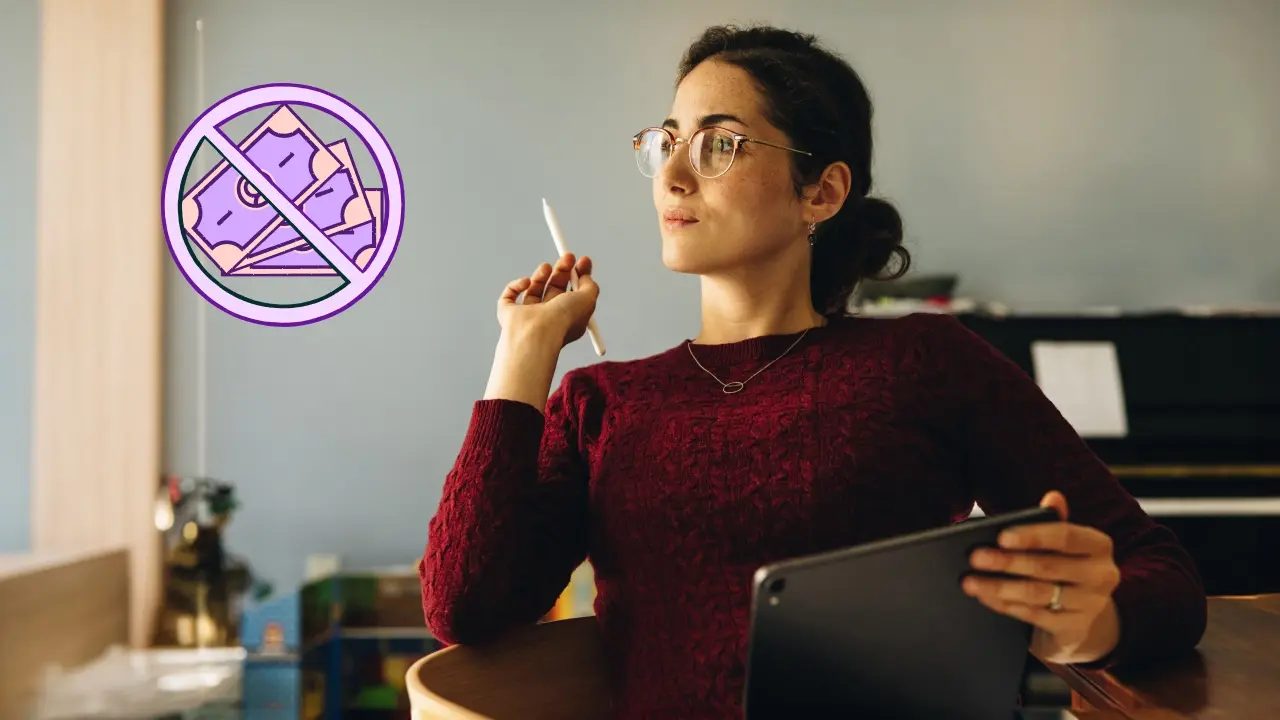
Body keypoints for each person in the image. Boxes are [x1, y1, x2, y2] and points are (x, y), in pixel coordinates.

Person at [419, 24, 1206, 719]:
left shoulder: (925, 362)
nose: (673, 176)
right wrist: (521, 354)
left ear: (821, 192)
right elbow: (463, 605)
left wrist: (1090, 631)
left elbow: (1162, 576)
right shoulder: (603, 400)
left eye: (718, 143)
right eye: (666, 142)